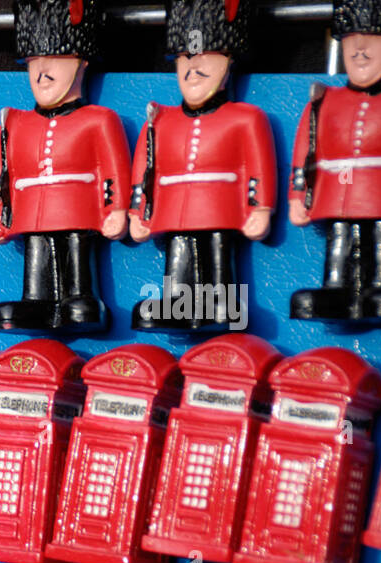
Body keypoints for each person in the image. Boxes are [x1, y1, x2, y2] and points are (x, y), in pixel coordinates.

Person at [130, 0, 276, 332]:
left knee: (216, 255)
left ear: (228, 61)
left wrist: (260, 207)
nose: (193, 68)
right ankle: (178, 302)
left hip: (220, 207)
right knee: (178, 253)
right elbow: (145, 170)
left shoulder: (246, 118)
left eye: (205, 58)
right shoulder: (160, 119)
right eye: (185, 59)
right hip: (173, 209)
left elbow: (259, 167)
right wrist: (137, 212)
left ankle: (222, 303)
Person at [0, 0, 131, 333]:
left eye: (53, 59)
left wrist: (116, 209)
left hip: (79, 210)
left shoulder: (98, 120)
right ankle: (38, 303)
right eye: (34, 61)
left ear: (80, 62)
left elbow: (112, 170)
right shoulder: (13, 124)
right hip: (31, 212)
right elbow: (0, 174)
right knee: (37, 255)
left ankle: (81, 297)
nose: (41, 70)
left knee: (76, 253)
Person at [289, 0, 381, 323]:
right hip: (338, 189)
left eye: (372, 38)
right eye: (350, 38)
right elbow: (305, 152)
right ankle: (336, 285)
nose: (360, 49)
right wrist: (298, 196)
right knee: (340, 234)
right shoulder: (324, 101)